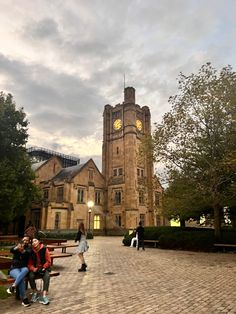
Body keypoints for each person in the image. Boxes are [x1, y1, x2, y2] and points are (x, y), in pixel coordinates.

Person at [6, 240, 31, 307]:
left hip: (23, 268)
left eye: (23, 245)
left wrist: (22, 250)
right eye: (20, 245)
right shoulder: (15, 250)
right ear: (18, 245)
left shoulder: (27, 250)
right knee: (21, 279)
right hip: (14, 269)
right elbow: (11, 250)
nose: (21, 247)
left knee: (26, 269)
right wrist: (17, 247)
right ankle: (24, 298)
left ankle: (13, 286)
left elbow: (27, 253)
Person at [28, 237, 51, 305]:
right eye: (32, 242)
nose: (34, 242)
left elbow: (48, 261)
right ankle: (35, 293)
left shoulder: (44, 249)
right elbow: (29, 264)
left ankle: (44, 296)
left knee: (47, 276)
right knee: (30, 276)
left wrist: (44, 267)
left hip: (43, 268)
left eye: (35, 241)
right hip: (35, 268)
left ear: (38, 242)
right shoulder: (31, 251)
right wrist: (33, 269)